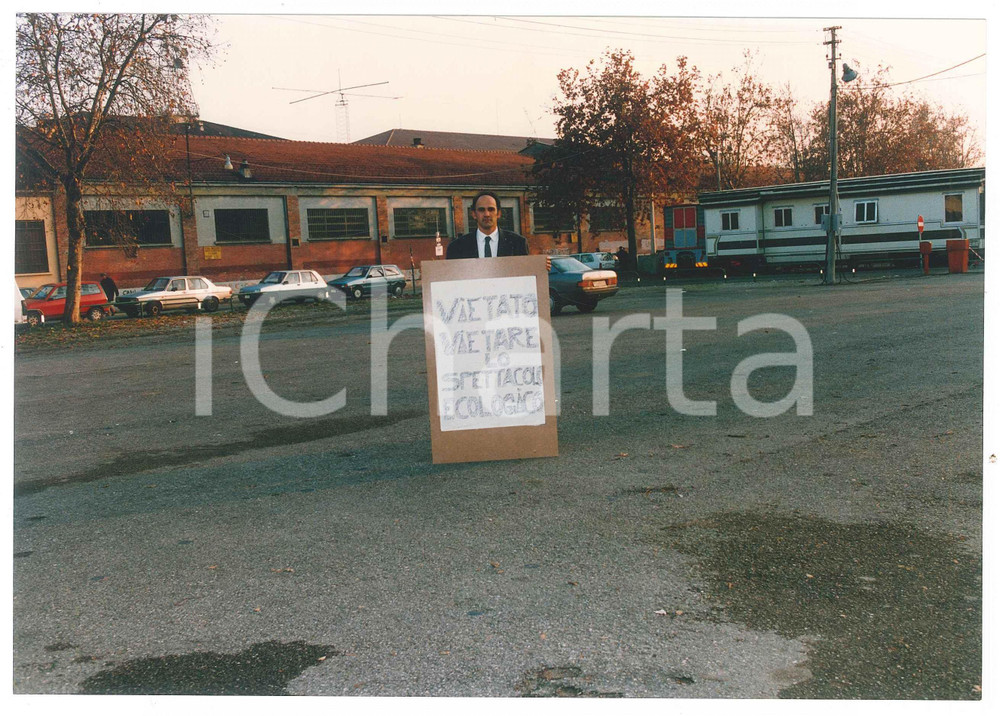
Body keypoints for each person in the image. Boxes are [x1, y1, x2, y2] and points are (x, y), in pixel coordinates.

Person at [447, 191, 529, 259]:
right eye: (481, 210)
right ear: (474, 214)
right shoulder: (456, 247)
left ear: (499, 213)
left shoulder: (518, 243)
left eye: (491, 209)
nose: (486, 214)